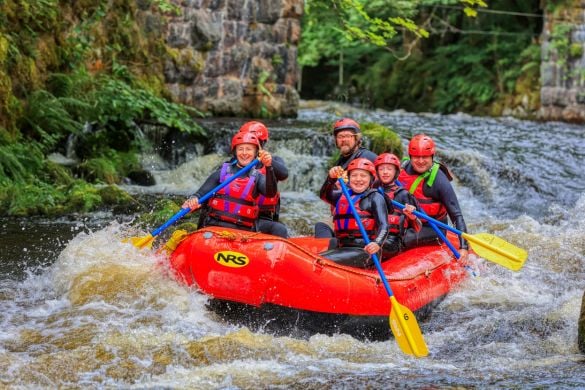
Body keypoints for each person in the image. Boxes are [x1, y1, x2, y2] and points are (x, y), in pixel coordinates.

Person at [182, 132, 276, 232]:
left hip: (242, 234)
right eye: (240, 149)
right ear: (235, 152)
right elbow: (200, 194)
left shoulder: (258, 178)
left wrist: (269, 167)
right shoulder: (220, 173)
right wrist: (193, 200)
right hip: (213, 231)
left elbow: (270, 193)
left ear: (256, 152)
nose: (244, 153)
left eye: (249, 149)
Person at [398, 134, 469, 260]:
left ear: (432, 156)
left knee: (401, 238)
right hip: (407, 221)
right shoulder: (402, 169)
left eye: (425, 157)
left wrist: (463, 248)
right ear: (410, 157)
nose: (420, 161)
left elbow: (456, 215)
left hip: (432, 229)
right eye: (416, 157)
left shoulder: (439, 180)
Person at [318, 158, 389, 269]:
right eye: (354, 175)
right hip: (342, 247)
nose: (358, 179)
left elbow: (384, 225)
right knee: (318, 257)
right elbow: (324, 195)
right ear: (349, 178)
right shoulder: (342, 195)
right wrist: (330, 179)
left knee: (320, 260)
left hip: (365, 250)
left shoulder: (375, 197)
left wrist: (377, 243)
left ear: (371, 179)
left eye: (363, 176)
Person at [315, 118, 377, 238]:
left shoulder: (368, 157)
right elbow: (326, 196)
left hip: (364, 218)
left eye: (348, 136)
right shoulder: (341, 161)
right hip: (345, 215)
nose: (344, 140)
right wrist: (330, 179)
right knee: (321, 225)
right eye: (340, 137)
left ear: (356, 138)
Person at [237, 121, 289, 238]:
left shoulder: (274, 161)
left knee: (280, 229)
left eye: (254, 142)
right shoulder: (235, 163)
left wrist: (267, 161)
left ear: (262, 143)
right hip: (238, 217)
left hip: (263, 218)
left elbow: (284, 174)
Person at [373, 153, 422, 258]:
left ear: (396, 172)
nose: (385, 172)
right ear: (377, 172)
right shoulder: (371, 190)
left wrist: (412, 216)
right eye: (381, 169)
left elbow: (418, 227)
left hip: (392, 241)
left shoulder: (403, 194)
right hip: (372, 236)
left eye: (389, 169)